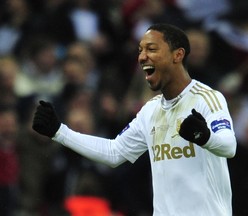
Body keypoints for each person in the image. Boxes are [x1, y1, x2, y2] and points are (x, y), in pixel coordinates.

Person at [32, 23, 237, 216]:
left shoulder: (206, 98)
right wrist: (59, 131)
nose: (142, 57)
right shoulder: (151, 110)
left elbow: (229, 146)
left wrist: (204, 136)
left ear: (178, 55)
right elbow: (114, 153)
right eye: (140, 50)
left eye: (151, 49)